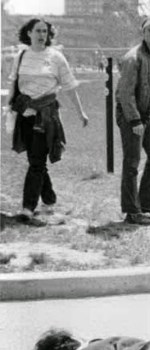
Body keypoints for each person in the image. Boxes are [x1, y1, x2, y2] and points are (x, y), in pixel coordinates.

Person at [8, 18, 89, 227]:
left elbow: (69, 87)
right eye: (38, 31)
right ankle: (49, 198)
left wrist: (81, 112)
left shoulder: (56, 57)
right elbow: (14, 84)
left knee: (37, 162)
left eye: (45, 31)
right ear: (28, 33)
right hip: (25, 115)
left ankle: (27, 208)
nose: (42, 35)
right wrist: (12, 108)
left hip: (46, 116)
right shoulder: (21, 56)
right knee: (35, 159)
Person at [116, 17, 150, 226]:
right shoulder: (133, 57)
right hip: (132, 117)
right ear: (143, 33)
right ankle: (132, 211)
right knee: (132, 163)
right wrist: (135, 120)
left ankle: (147, 203)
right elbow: (125, 93)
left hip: (149, 115)